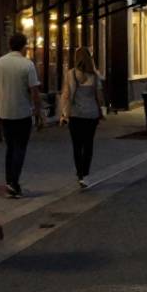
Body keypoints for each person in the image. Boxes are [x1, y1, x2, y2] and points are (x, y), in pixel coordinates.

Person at [0, 32, 43, 198]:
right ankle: (14, 182)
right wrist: (38, 111)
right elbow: (34, 91)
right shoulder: (27, 65)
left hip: (4, 112)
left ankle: (9, 181)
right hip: (22, 112)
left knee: (10, 148)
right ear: (24, 46)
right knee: (20, 148)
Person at [59, 46, 107, 188]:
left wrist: (64, 113)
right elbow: (99, 96)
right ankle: (86, 174)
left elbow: (66, 95)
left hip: (75, 114)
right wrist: (102, 109)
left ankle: (79, 173)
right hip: (91, 114)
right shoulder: (94, 75)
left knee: (76, 145)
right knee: (88, 144)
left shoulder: (70, 74)